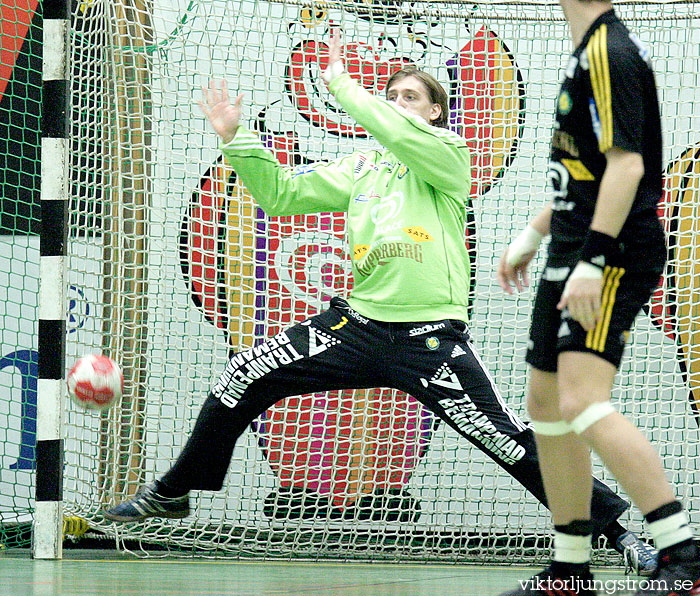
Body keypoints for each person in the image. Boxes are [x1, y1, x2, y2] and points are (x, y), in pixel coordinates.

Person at [102, 31, 654, 574]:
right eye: (390, 96)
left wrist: (342, 85)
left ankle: (618, 533)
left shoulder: (449, 157)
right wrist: (236, 139)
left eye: (410, 96)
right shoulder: (363, 167)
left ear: (437, 112)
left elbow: (395, 131)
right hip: (355, 326)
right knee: (241, 377)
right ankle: (174, 492)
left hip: (427, 340)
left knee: (509, 443)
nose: (395, 105)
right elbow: (280, 194)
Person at [496, 2, 700, 595]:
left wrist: (593, 257)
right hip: (570, 248)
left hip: (608, 254)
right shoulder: (586, 53)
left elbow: (629, 165)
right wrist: (536, 233)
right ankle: (570, 569)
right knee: (546, 404)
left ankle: (683, 556)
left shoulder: (612, 52)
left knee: (584, 399)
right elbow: (585, 169)